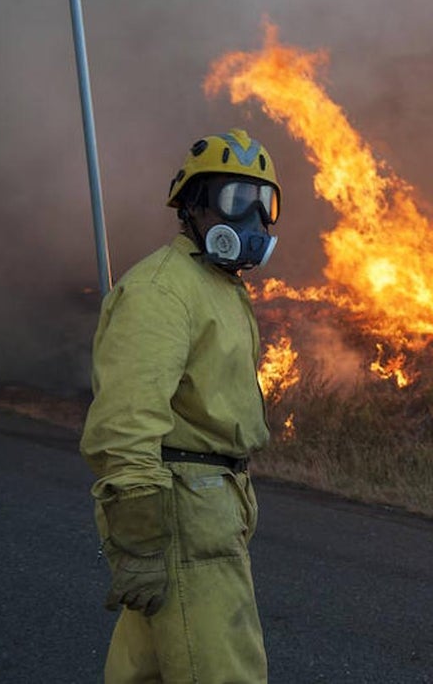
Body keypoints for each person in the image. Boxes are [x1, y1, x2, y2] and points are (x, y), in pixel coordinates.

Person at [80, 128, 281, 682]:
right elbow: (124, 426)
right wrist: (141, 541)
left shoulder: (215, 288)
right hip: (183, 513)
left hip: (214, 503)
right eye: (235, 200)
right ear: (191, 205)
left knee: (146, 672)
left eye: (264, 203)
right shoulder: (162, 291)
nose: (252, 220)